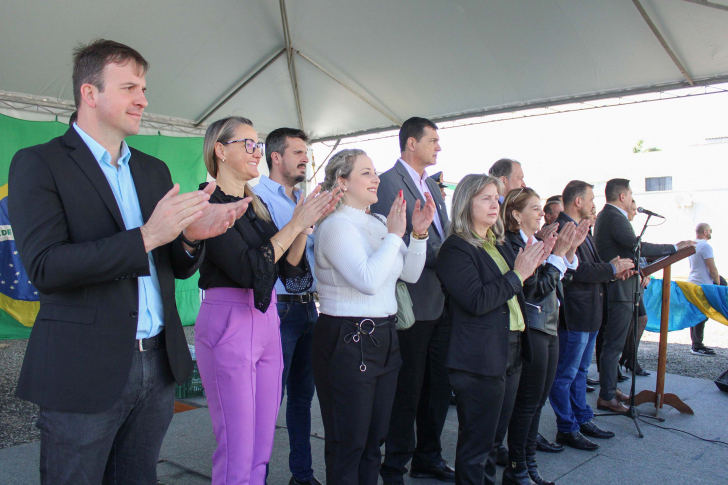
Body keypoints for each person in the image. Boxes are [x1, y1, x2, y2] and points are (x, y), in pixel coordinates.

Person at [9, 40, 250, 484]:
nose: (143, 99)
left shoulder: (152, 170)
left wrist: (192, 239)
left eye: (144, 87)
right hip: (84, 371)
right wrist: (147, 236)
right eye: (129, 87)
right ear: (90, 93)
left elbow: (172, 266)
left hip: (157, 367)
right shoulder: (38, 164)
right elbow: (46, 267)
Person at [195, 116, 336, 485]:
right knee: (237, 443)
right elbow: (248, 270)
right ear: (220, 150)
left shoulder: (254, 204)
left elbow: (288, 270)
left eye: (257, 143)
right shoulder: (209, 202)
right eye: (248, 144)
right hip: (231, 317)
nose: (256, 151)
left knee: (261, 442)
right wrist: (294, 224)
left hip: (267, 316)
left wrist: (305, 225)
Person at [313, 148, 434, 485]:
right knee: (348, 442)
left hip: (384, 336)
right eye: (366, 172)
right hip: (347, 338)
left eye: (374, 171)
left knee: (373, 441)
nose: (376, 178)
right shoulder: (336, 225)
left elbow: (409, 274)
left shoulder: (379, 221)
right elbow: (367, 280)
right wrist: (395, 236)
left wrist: (418, 233)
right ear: (342, 181)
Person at [436, 174, 545, 485]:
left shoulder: (495, 243)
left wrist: (533, 265)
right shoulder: (456, 249)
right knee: (477, 444)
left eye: (496, 198)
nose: (495, 204)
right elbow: (476, 300)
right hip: (479, 357)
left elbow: (521, 288)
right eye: (486, 198)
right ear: (465, 203)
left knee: (492, 441)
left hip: (508, 349)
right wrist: (518, 274)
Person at [371, 117, 453, 484]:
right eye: (432, 140)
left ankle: (428, 455)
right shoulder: (389, 183)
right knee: (408, 389)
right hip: (411, 302)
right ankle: (396, 465)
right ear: (410, 144)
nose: (438, 147)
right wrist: (455, 257)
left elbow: (443, 234)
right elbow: (399, 242)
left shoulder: (431, 186)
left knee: (437, 386)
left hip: (439, 300)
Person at [501, 187, 586, 485]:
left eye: (540, 208)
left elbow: (561, 278)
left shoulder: (534, 241)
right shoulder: (512, 244)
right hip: (533, 326)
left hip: (550, 324)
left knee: (538, 402)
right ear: (515, 214)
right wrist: (558, 255)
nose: (542, 214)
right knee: (526, 402)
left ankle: (529, 462)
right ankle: (516, 466)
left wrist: (569, 250)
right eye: (535, 208)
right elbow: (533, 288)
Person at [256, 127, 321, 485]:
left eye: (306, 151)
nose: (305, 157)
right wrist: (303, 223)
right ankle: (256, 476)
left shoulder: (302, 199)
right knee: (268, 403)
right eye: (297, 151)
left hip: (308, 307)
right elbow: (274, 258)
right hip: (277, 309)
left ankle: (303, 475)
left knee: (301, 400)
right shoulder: (257, 199)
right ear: (276, 157)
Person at [593, 178, 693, 412]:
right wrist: (675, 248)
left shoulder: (611, 216)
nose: (631, 198)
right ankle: (607, 396)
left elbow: (633, 251)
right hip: (618, 289)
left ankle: (609, 389)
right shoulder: (613, 216)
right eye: (630, 194)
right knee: (613, 344)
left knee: (613, 344)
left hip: (623, 287)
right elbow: (637, 247)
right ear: (622, 196)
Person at [549, 181, 633, 452]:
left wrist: (614, 270)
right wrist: (610, 269)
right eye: (591, 198)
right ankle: (567, 427)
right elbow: (573, 271)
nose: (594, 203)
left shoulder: (581, 228)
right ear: (578, 202)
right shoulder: (562, 229)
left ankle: (582, 419)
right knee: (566, 374)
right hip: (574, 314)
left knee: (581, 372)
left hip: (589, 313)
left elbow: (591, 266)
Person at [619, 199, 651, 376]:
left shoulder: (629, 228)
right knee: (633, 321)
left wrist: (646, 274)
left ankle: (630, 357)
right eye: (633, 208)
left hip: (636, 283)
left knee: (640, 319)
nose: (635, 212)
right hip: (624, 283)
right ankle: (626, 359)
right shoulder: (618, 226)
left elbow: (640, 257)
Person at [688, 223, 720, 356]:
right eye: (710, 230)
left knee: (697, 313)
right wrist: (717, 286)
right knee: (702, 314)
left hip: (693, 282)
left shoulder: (693, 244)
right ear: (705, 232)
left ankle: (696, 343)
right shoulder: (705, 246)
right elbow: (712, 269)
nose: (711, 232)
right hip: (704, 284)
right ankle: (697, 345)